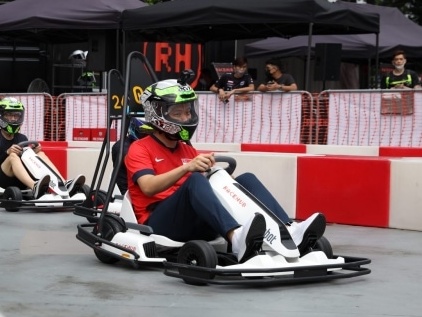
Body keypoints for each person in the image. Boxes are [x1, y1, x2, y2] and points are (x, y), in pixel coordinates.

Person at [124, 77, 326, 262]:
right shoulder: (139, 148)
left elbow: (206, 182)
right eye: (178, 113)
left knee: (245, 179)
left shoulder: (187, 148)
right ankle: (236, 237)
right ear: (157, 114)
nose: (186, 118)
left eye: (187, 112)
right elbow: (148, 187)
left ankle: (289, 230)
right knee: (194, 179)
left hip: (195, 219)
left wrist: (223, 180)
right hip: (159, 223)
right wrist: (188, 168)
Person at [0, 97, 84, 199]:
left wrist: (33, 153)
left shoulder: (22, 138)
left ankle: (63, 183)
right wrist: (7, 153)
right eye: (9, 115)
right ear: (1, 116)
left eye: (16, 115)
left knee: (40, 154)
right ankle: (34, 187)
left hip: (20, 180)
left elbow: (25, 161)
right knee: (13, 156)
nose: (13, 119)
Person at [111, 116, 148, 195]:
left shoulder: (149, 146)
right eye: (145, 132)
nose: (148, 136)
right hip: (130, 195)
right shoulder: (123, 147)